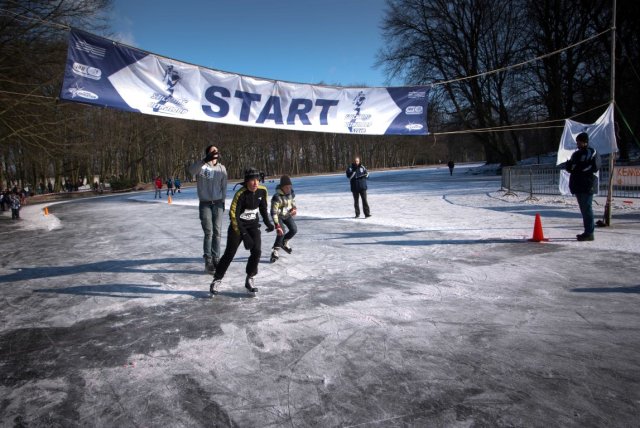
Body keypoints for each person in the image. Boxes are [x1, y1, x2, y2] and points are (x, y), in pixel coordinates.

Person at [209, 168, 274, 296]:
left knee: (257, 251)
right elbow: (233, 215)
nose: (255, 183)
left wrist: (268, 223)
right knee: (230, 253)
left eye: (257, 180)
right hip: (237, 226)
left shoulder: (262, 191)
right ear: (246, 181)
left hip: (253, 225)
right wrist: (243, 234)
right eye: (252, 180)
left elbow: (263, 208)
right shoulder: (241, 194)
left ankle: (250, 277)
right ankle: (217, 279)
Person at [188, 145, 228, 273]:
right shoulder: (202, 167)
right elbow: (191, 171)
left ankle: (216, 258)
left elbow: (224, 187)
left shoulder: (222, 168)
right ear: (207, 153)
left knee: (217, 232)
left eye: (217, 150)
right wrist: (204, 160)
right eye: (212, 151)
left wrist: (222, 202)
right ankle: (208, 259)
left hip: (218, 204)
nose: (215, 152)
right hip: (205, 203)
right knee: (209, 232)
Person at [565, 132, 601, 241]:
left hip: (587, 184)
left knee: (587, 208)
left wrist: (578, 168)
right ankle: (587, 231)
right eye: (577, 141)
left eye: (579, 141)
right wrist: (570, 166)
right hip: (578, 184)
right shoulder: (576, 154)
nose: (578, 143)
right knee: (583, 209)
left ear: (585, 142)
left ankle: (589, 232)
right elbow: (571, 167)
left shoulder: (591, 152)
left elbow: (594, 166)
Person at [270, 175, 298, 263]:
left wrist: (294, 208)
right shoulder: (277, 197)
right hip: (278, 215)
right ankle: (275, 250)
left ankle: (284, 242)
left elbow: (292, 203)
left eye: (290, 187)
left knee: (294, 230)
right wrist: (277, 225)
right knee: (281, 232)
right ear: (282, 187)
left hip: (286, 214)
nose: (288, 189)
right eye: (286, 187)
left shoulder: (291, 194)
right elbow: (273, 212)